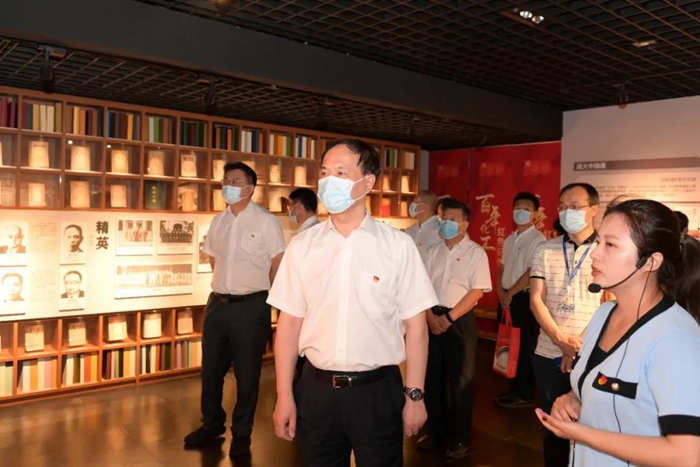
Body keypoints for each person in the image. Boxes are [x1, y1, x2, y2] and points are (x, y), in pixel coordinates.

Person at [268, 139, 438, 467]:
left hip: (376, 392)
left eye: (341, 173)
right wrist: (284, 395)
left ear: (368, 182)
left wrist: (415, 395)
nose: (328, 181)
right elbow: (288, 325)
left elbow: (417, 328)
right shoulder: (303, 246)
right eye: (324, 173)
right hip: (316, 390)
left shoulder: (398, 246)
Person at [536, 199, 700, 466]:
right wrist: (573, 398)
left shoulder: (674, 339)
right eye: (598, 242)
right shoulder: (603, 314)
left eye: (610, 245)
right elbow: (597, 382)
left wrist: (582, 434)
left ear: (650, 261)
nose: (595, 254)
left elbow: (687, 455)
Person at [183, 162, 286, 459]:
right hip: (217, 304)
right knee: (211, 371)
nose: (228, 184)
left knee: (247, 374)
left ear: (250, 188)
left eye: (235, 180)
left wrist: (262, 295)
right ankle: (211, 424)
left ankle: (242, 434)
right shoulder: (219, 221)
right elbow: (213, 258)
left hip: (251, 307)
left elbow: (278, 262)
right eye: (225, 179)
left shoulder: (265, 221)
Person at [529, 182, 602, 467]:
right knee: (553, 426)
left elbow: (610, 304)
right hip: (549, 350)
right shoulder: (545, 249)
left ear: (593, 210)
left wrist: (577, 343)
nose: (566, 212)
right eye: (562, 207)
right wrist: (560, 340)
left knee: (591, 425)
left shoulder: (605, 249)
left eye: (574, 206)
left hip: (592, 352)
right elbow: (536, 299)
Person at [417, 197, 491, 458]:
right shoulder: (431, 250)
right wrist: (430, 316)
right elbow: (422, 286)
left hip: (459, 320)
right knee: (432, 379)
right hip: (431, 317)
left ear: (465, 224)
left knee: (461, 381)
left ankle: (460, 438)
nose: (447, 223)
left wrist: (448, 319)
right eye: (444, 218)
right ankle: (436, 432)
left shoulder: (475, 253)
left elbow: (477, 291)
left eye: (453, 219)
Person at [494, 192, 546, 409]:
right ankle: (513, 388)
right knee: (508, 345)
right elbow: (502, 266)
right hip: (507, 298)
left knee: (524, 347)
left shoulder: (538, 240)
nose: (521, 212)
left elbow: (532, 271)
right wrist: (500, 290)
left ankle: (524, 393)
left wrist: (511, 293)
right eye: (517, 208)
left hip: (522, 299)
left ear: (535, 214)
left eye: (526, 209)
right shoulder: (510, 238)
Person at [405, 190, 441, 262]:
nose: (411, 206)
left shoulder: (439, 231)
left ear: (425, 206)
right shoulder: (410, 230)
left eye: (415, 202)